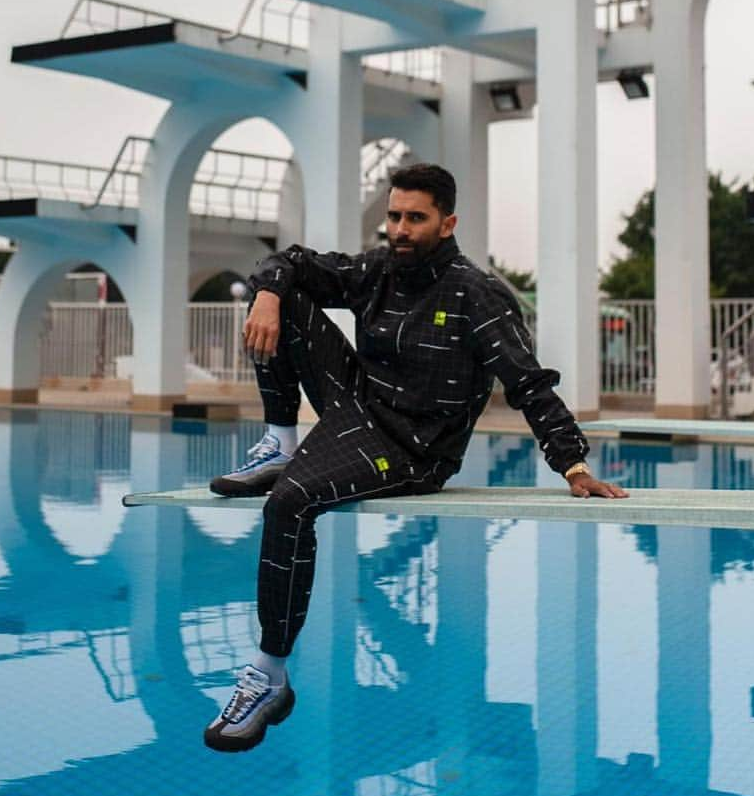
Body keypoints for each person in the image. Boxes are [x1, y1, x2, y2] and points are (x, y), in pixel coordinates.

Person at [203, 162, 627, 753]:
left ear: (447, 222)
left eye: (415, 218)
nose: (400, 229)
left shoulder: (477, 294)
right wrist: (270, 293)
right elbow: (292, 260)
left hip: (415, 449)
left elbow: (528, 383)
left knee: (289, 504)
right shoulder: (377, 270)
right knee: (278, 289)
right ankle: (281, 440)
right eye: (395, 216)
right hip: (359, 409)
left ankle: (269, 676)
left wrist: (572, 464)